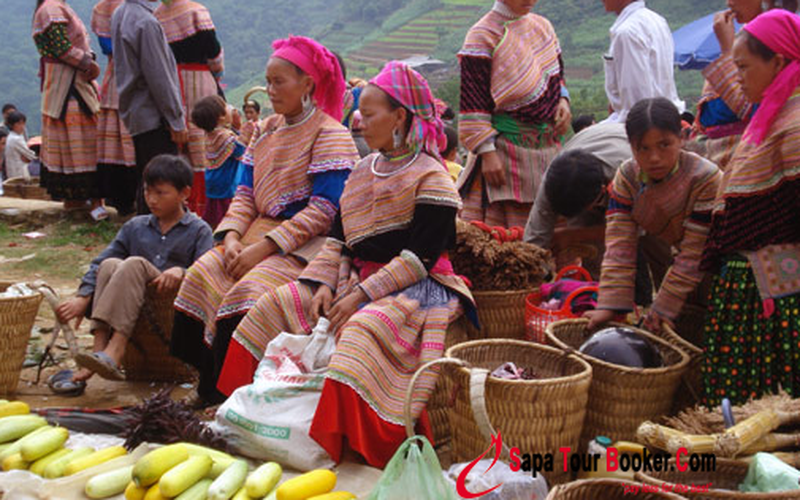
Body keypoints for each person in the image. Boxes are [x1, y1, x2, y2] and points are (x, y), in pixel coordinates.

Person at [217, 61, 474, 468]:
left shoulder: (432, 178)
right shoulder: (362, 169)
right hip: (353, 278)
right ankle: (245, 419)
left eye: (369, 115)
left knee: (360, 329)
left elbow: (419, 260)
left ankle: (342, 442)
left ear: (399, 117)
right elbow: (338, 239)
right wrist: (324, 284)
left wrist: (359, 297)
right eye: (359, 113)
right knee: (277, 304)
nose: (359, 122)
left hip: (416, 288)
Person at [170, 36, 359, 406]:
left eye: (279, 82)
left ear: (307, 84)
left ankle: (233, 392)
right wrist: (232, 237)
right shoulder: (265, 130)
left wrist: (264, 249)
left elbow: (324, 210)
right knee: (202, 273)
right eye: (268, 81)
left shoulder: (330, 135)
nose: (270, 90)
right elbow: (244, 193)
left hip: (305, 246)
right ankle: (208, 382)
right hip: (254, 234)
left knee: (250, 292)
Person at [700, 11, 800, 407]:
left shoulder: (794, 125)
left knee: (767, 406)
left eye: (743, 67)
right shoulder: (771, 116)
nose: (737, 76)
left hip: (774, 296)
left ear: (778, 62)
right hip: (750, 289)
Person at [50, 155, 212, 396]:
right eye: (147, 191)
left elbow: (208, 271)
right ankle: (99, 350)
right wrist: (83, 297)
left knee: (134, 263)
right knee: (109, 264)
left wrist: (182, 271)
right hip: (131, 299)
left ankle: (116, 347)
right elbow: (100, 262)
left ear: (184, 193)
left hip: (168, 304)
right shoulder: (135, 227)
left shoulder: (199, 230)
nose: (152, 199)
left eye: (160, 193)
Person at [584, 98, 721, 335]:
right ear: (631, 146)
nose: (654, 157)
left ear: (681, 138)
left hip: (722, 261)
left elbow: (694, 252)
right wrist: (609, 305)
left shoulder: (704, 178)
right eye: (643, 148)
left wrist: (663, 308)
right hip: (686, 260)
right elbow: (619, 245)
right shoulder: (628, 177)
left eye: (664, 145)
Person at [457, 0, 571, 229]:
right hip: (505, 158)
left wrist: (563, 100)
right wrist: (487, 153)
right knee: (508, 238)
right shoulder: (482, 36)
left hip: (549, 151)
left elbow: (556, 74)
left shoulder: (543, 27)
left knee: (556, 234)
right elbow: (474, 104)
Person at [688, 0, 798, 172]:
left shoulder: (785, 41)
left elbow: (749, 107)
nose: (729, 2)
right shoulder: (744, 39)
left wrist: (727, 49)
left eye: (742, 67)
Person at [524, 122, 630, 275]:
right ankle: (595, 285)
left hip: (624, 146)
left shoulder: (629, 173)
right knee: (593, 253)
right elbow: (534, 238)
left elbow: (637, 228)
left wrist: (574, 235)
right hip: (596, 148)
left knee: (652, 247)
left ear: (601, 192)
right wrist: (533, 272)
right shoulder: (553, 182)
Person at [112, 0, 188, 215]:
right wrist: (176, 119)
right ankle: (158, 230)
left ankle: (146, 228)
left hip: (136, 112)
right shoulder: (146, 23)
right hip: (154, 114)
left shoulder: (121, 13)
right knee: (162, 184)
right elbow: (159, 77)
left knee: (148, 181)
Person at [33, 0, 106, 218]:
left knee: (73, 145)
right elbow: (61, 48)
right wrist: (88, 63)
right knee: (85, 143)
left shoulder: (54, 7)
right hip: (68, 86)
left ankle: (77, 200)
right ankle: (89, 201)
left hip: (66, 85)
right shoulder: (52, 9)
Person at [155, 0, 225, 217]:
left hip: (172, 83)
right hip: (200, 80)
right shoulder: (196, 12)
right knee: (205, 140)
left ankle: (183, 204)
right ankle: (206, 207)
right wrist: (217, 73)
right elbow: (213, 52)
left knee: (181, 143)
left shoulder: (157, 16)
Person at [600, 0, 684, 124]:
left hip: (646, 123)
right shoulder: (657, 21)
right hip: (666, 116)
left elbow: (636, 101)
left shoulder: (627, 32)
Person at [92, 0, 138, 216]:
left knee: (117, 142)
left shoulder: (102, 8)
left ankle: (122, 199)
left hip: (116, 76)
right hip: (130, 75)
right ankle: (127, 199)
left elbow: (107, 46)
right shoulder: (109, 7)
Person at [191, 95, 245, 229]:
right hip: (226, 183)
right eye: (226, 107)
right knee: (226, 215)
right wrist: (241, 129)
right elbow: (241, 151)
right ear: (221, 117)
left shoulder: (210, 134)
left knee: (214, 213)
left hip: (212, 181)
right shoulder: (225, 136)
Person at [3, 112, 38, 181]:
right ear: (12, 125)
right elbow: (31, 155)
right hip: (18, 175)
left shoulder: (11, 137)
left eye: (23, 123)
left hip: (13, 174)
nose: (22, 126)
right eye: (19, 124)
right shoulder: (16, 139)